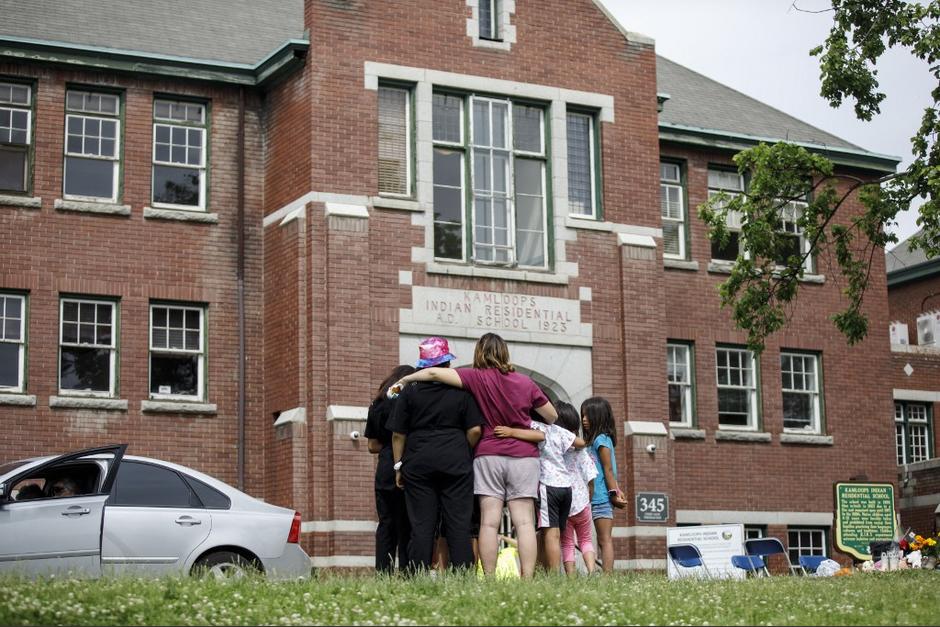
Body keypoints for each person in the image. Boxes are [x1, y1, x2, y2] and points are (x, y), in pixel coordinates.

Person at [391, 332, 558, 579]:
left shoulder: (474, 378)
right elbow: (552, 416)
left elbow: (434, 373)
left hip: (488, 454)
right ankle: (528, 578)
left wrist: (406, 379)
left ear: (479, 353)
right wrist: (522, 425)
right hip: (524, 457)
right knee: (524, 522)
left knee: (488, 522)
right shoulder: (525, 382)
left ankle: (488, 577)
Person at [387, 337, 484, 572]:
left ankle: (418, 573)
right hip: (455, 460)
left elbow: (398, 434)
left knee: (421, 523)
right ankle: (462, 574)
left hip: (418, 460)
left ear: (422, 366)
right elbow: (475, 430)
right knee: (458, 523)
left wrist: (398, 465)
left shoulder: (409, 393)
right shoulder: (462, 392)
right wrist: (463, 448)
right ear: (447, 365)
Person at [494, 410, 575, 574]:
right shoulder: (558, 430)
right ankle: (550, 571)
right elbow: (579, 442)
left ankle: (553, 575)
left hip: (549, 485)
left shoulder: (533, 426)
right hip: (566, 486)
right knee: (556, 535)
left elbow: (538, 435)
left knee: (550, 535)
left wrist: (510, 432)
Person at [365, 364, 415, 574]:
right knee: (407, 525)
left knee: (386, 524)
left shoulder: (378, 404)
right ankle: (407, 572)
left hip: (384, 469)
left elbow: (371, 446)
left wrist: (387, 446)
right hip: (409, 466)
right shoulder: (411, 401)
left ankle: (383, 572)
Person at [581, 396, 627, 574]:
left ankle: (607, 578)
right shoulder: (595, 441)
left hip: (601, 497)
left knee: (604, 539)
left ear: (598, 416)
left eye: (588, 415)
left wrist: (614, 493)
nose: (584, 419)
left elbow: (608, 470)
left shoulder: (601, 439)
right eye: (582, 415)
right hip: (592, 497)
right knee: (599, 539)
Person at [556, 401, 598, 575]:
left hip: (563, 504)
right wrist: (590, 495)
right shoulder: (580, 450)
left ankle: (571, 578)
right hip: (582, 503)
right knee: (586, 540)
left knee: (566, 544)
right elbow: (591, 476)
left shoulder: (555, 449)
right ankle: (591, 570)